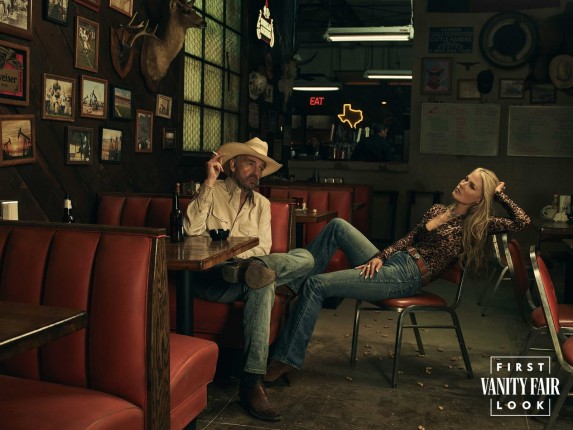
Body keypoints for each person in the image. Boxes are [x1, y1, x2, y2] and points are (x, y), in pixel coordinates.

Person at [264, 167, 531, 384]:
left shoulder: (477, 225)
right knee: (337, 226)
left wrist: (499, 195)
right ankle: (293, 285)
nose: (462, 184)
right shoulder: (438, 210)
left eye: (471, 186)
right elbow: (409, 238)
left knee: (316, 284)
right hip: (394, 262)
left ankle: (287, 360)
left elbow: (522, 221)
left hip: (407, 277)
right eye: (465, 178)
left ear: (480, 199)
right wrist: (381, 256)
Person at [183, 137, 314, 422]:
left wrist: (246, 264)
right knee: (263, 280)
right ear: (232, 165)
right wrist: (209, 181)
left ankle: (247, 271)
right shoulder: (212, 192)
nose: (256, 171)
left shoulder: (263, 204)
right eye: (250, 164)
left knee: (305, 259)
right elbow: (191, 231)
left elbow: (264, 248)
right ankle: (252, 384)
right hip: (213, 277)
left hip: (245, 275)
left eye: (260, 167)